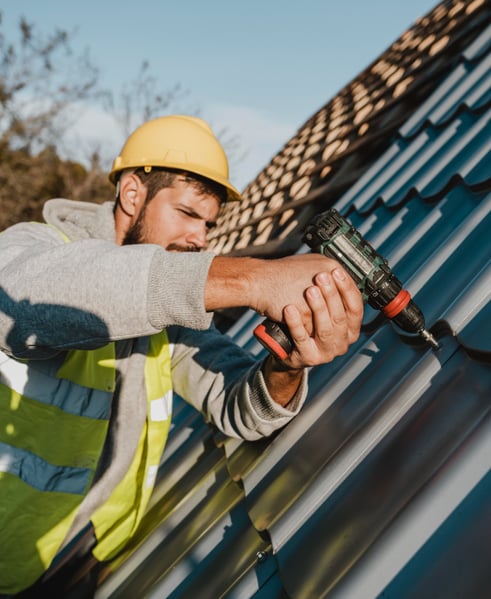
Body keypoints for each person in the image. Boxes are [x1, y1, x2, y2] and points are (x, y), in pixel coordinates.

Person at [0, 115, 363, 595]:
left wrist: (287, 364)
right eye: (189, 214)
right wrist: (252, 279)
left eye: (209, 224)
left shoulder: (167, 318)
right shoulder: (33, 247)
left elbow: (241, 409)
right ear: (133, 195)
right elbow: (26, 304)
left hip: (79, 556)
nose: (201, 238)